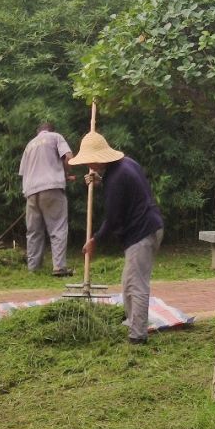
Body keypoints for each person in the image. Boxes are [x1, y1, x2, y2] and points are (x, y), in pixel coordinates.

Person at [69, 131, 164, 345]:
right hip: (148, 227)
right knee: (128, 281)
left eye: (88, 161)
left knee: (137, 284)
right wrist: (99, 180)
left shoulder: (116, 178)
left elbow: (113, 218)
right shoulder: (124, 164)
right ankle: (132, 321)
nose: (88, 165)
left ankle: (138, 335)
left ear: (97, 158)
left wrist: (95, 240)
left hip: (143, 232)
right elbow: (123, 192)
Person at [18, 122, 75, 276]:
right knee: (57, 227)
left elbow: (23, 172)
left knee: (34, 231)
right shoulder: (55, 137)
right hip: (51, 187)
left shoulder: (29, 145)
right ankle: (59, 267)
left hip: (31, 191)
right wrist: (66, 173)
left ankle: (33, 268)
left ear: (38, 132)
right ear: (51, 130)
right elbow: (68, 157)